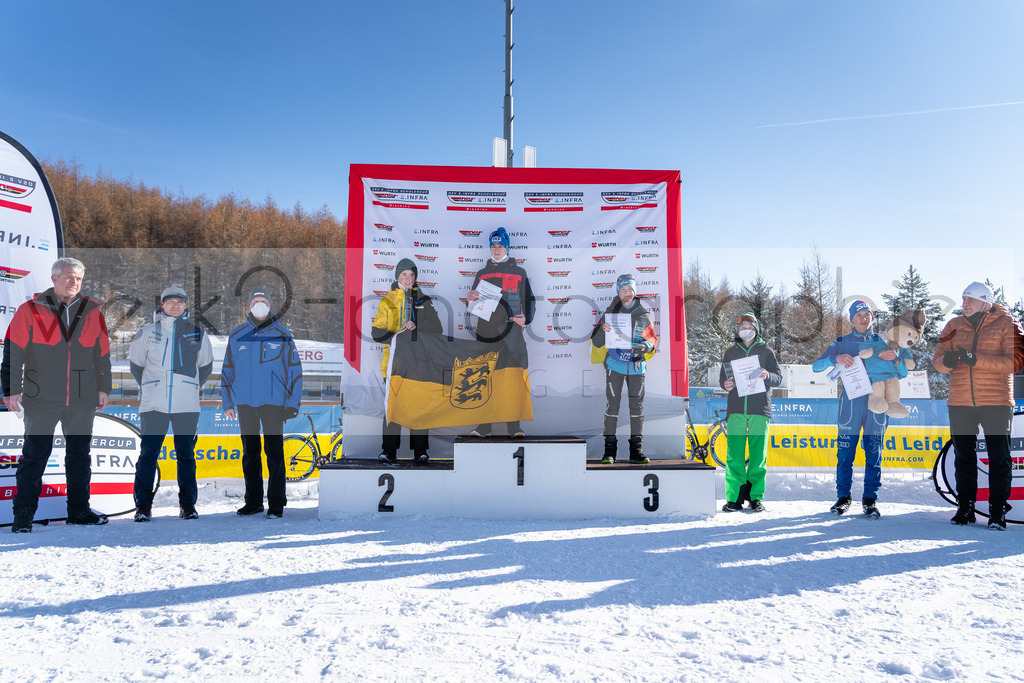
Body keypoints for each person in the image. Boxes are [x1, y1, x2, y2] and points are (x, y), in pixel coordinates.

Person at [2, 257, 112, 532]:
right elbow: (13, 351)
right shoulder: (31, 310)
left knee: (79, 455)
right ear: (53, 279)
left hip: (81, 397)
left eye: (78, 278)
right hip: (41, 397)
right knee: (34, 455)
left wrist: (103, 388)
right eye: (68, 277)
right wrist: (11, 389)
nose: (73, 282)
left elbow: (103, 356)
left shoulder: (93, 312)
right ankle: (23, 516)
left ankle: (79, 511)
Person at [934, 281, 1024, 531]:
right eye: (963, 299)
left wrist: (974, 359)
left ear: (986, 301)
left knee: (999, 458)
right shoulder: (953, 325)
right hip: (960, 402)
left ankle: (997, 511)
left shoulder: (1008, 323)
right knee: (963, 457)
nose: (964, 304)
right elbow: (937, 361)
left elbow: (1015, 362)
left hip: (996, 402)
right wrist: (948, 361)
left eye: (969, 300)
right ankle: (965, 507)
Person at [128, 286, 214, 522]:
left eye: (180, 302)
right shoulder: (146, 332)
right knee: (148, 456)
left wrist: (189, 386)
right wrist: (152, 386)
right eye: (170, 301)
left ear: (186, 306)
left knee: (186, 456)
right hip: (154, 405)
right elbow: (136, 365)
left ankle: (188, 506)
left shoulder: (198, 333)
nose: (175, 305)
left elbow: (205, 367)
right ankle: (143, 507)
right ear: (162, 305)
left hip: (186, 406)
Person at [221, 289, 303, 519]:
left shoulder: (282, 334)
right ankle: (254, 502)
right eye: (256, 301)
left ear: (270, 305)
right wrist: (227, 401)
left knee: (274, 454)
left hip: (274, 404)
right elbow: (228, 371)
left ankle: (276, 504)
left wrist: (292, 402)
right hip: (245, 404)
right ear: (249, 306)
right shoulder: (237, 335)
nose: (260, 305)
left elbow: (295, 372)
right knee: (250, 454)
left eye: (264, 301)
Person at [812, 300, 898, 517]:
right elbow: (816, 366)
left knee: (874, 453)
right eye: (858, 315)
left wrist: (896, 358)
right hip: (850, 404)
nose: (863, 318)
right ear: (851, 319)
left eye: (867, 314)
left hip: (876, 403)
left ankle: (870, 500)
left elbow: (903, 371)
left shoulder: (883, 341)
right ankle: (843, 497)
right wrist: (835, 358)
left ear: (872, 317)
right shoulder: (842, 341)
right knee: (845, 453)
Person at [372, 258, 443, 463]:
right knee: (392, 408)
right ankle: (388, 451)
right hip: (394, 362)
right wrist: (399, 335)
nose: (408, 278)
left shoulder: (423, 299)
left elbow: (437, 329)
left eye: (411, 275)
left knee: (419, 406)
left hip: (420, 361)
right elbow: (376, 332)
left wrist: (417, 327)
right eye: (404, 274)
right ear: (397, 276)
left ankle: (420, 451)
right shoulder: (387, 301)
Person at [466, 226, 535, 438]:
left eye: (500, 246)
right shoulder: (482, 273)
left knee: (512, 378)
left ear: (507, 248)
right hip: (486, 332)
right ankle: (483, 426)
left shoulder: (520, 272)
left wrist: (527, 318)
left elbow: (529, 301)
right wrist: (469, 300)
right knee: (484, 377)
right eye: (494, 246)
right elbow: (473, 305)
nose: (496, 250)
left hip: (511, 332)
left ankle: (514, 427)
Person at [590, 273, 658, 464]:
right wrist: (602, 330)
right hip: (615, 365)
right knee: (613, 406)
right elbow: (596, 342)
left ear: (635, 292)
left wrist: (646, 346)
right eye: (623, 289)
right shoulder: (610, 313)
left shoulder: (643, 313)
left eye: (630, 289)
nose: (626, 293)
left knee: (637, 408)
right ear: (618, 292)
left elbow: (652, 340)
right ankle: (609, 451)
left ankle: (636, 451)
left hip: (637, 366)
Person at [718, 313, 782, 512]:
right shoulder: (730, 352)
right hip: (736, 409)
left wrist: (767, 375)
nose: (746, 330)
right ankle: (735, 498)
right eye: (742, 327)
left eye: (750, 326)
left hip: (759, 408)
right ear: (737, 331)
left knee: (757, 456)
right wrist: (726, 384)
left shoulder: (766, 351)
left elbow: (778, 378)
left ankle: (755, 498)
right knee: (734, 455)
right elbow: (723, 379)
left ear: (756, 330)